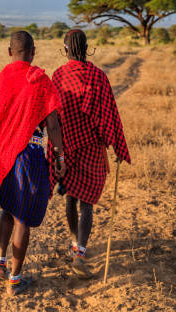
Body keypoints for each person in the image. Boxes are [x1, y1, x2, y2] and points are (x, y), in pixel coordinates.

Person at [0, 31, 66, 296]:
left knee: (8, 207)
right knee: (22, 217)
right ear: (33, 52)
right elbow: (52, 125)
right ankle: (15, 279)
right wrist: (60, 157)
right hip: (29, 156)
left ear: (9, 52)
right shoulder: (41, 81)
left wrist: (5, 137)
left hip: (4, 156)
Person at [50, 29, 131, 279]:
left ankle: (75, 244)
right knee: (87, 204)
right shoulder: (98, 77)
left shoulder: (59, 76)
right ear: (86, 48)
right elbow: (109, 116)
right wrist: (117, 146)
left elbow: (53, 118)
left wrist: (57, 153)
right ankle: (80, 252)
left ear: (65, 49)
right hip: (93, 150)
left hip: (67, 148)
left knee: (71, 198)